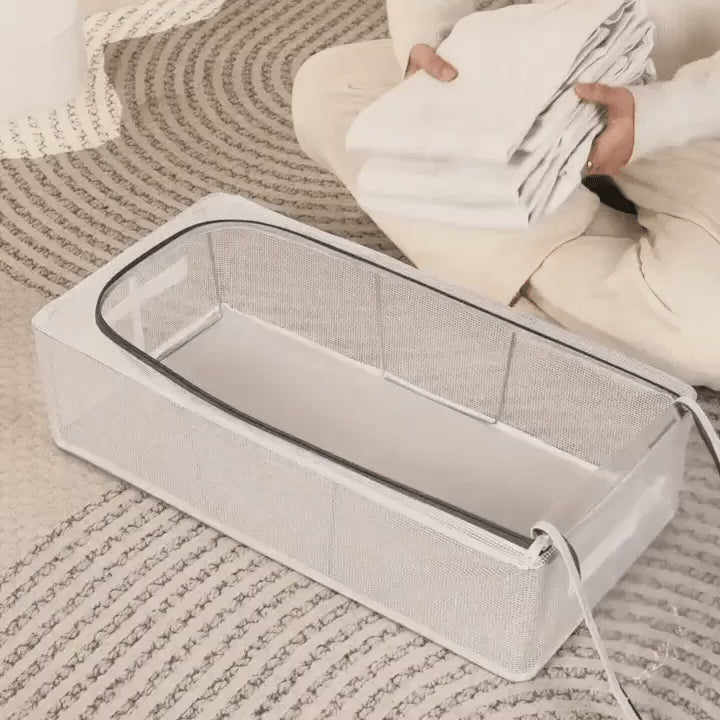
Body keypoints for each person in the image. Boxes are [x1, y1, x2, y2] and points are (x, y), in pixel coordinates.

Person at [292, 0, 720, 389]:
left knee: (710, 339)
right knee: (328, 88)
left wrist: (667, 112)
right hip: (559, 73)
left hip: (701, 120)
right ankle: (575, 271)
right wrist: (423, 39)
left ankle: (520, 269)